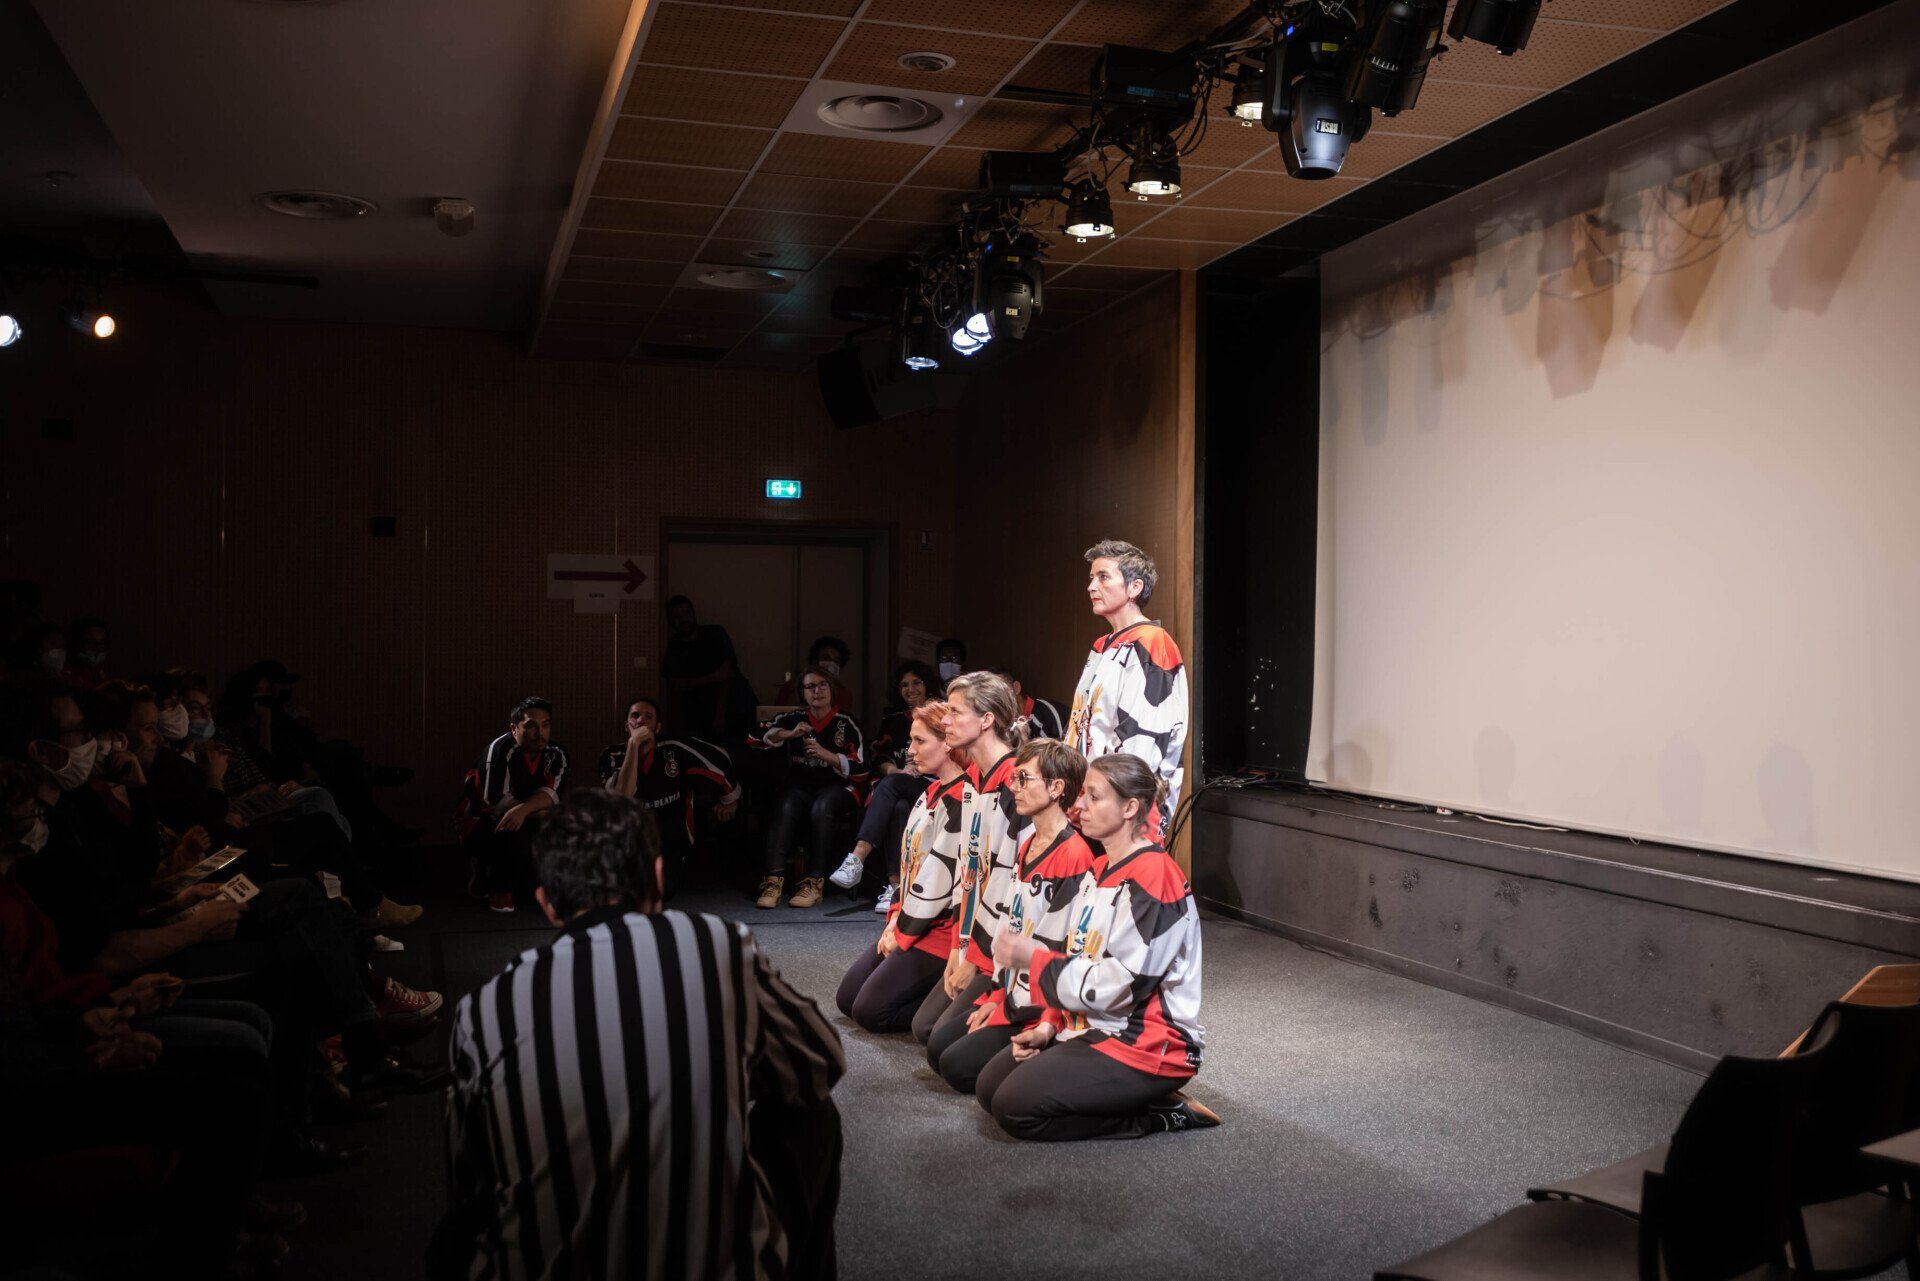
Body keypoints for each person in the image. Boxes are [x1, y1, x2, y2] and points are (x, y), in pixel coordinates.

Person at [439, 788, 845, 1281]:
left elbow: (469, 1186)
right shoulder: (712, 944)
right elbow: (821, 1061)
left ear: (546, 904)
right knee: (813, 1113)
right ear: (656, 876)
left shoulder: (483, 1010)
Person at [980, 752, 1216, 1140]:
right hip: (1094, 1024)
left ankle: (1157, 1115)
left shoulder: (1154, 877)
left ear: (1130, 808)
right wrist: (1048, 1025)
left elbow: (1121, 985)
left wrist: (1033, 959)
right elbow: (1079, 954)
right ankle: (1126, 1097)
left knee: (1014, 1109)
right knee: (989, 1089)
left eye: (1093, 796)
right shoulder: (1099, 867)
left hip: (1145, 1042)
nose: (1079, 806)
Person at [930, 738, 1099, 1095]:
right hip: (1012, 991)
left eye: (1024, 779)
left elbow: (1065, 949)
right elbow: (1013, 925)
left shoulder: (1074, 855)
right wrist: (995, 996)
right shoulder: (1029, 844)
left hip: (1041, 1004)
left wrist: (1038, 1018)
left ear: (1056, 788)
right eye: (1014, 778)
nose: (1014, 787)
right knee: (938, 1047)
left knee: (955, 1067)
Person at [833, 699, 971, 1034]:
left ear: (948, 743)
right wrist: (894, 916)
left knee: (870, 1012)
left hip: (940, 930)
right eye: (911, 741)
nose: (910, 751)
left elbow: (937, 883)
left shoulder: (965, 801)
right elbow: (911, 867)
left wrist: (901, 932)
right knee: (846, 1000)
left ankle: (944, 1006)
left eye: (920, 741)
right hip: (911, 918)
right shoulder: (929, 792)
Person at [913, 671, 1028, 1058]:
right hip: (974, 935)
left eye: (955, 712)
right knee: (924, 1029)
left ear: (987, 720)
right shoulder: (974, 778)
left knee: (941, 1046)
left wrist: (977, 963)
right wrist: (956, 950)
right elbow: (970, 876)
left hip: (1010, 943)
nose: (945, 721)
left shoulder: (1016, 782)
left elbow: (1010, 888)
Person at [1066, 539, 1190, 837]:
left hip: (1125, 808)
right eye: (1091, 578)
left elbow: (1144, 741)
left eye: (1103, 577)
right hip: (1089, 800)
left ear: (1134, 587)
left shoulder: (1152, 643)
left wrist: (1110, 799)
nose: (1091, 587)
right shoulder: (1102, 645)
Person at [596, 695, 741, 895]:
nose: (641, 720)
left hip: (671, 834)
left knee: (659, 888)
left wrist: (730, 799)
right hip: (631, 834)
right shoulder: (611, 755)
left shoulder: (674, 748)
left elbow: (718, 758)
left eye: (648, 717)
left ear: (657, 728)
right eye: (635, 716)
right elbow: (622, 798)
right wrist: (633, 746)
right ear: (626, 726)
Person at [749, 666, 866, 910]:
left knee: (822, 807)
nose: (817, 691)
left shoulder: (846, 722)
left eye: (822, 684)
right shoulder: (794, 717)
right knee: (786, 802)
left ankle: (814, 882)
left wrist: (827, 755)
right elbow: (753, 738)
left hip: (837, 787)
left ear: (831, 689)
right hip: (801, 785)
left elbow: (863, 769)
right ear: (802, 693)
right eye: (810, 686)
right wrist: (788, 734)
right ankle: (773, 880)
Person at [826, 660, 938, 907]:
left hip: (934, 784)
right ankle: (896, 887)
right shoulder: (893, 720)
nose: (910, 689)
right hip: (903, 784)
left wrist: (919, 767)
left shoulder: (941, 715)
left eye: (916, 683)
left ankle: (857, 857)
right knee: (898, 806)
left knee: (891, 783)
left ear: (928, 685)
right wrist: (898, 771)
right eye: (904, 685)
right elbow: (880, 757)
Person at [456, 696, 568, 913]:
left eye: (545, 725)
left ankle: (528, 882)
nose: (540, 733)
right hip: (478, 821)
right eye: (531, 726)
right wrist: (535, 813)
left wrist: (525, 810)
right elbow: (497, 803)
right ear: (514, 729)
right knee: (517, 827)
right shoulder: (498, 751)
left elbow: (550, 795)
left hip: (527, 817)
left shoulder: (558, 753)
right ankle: (498, 887)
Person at [661, 595, 744, 740]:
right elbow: (675, 685)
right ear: (671, 621)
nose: (683, 618)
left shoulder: (715, 634)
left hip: (733, 706)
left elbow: (727, 675)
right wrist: (712, 677)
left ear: (693, 613)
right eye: (677, 616)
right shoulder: (674, 647)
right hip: (696, 716)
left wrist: (720, 714)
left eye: (686, 612)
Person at [774, 635, 854, 712]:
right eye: (826, 658)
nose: (831, 664)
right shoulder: (793, 686)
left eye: (836, 660)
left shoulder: (843, 692)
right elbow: (780, 712)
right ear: (815, 661)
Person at [990, 665, 1067, 741]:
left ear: (1016, 688)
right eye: (992, 695)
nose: (997, 699)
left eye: (1001, 691)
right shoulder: (1000, 724)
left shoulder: (1047, 715)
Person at [66, 615, 113, 687]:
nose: (97, 648)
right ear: (76, 643)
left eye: (102, 643)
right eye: (90, 642)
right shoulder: (67, 676)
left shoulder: (100, 675)